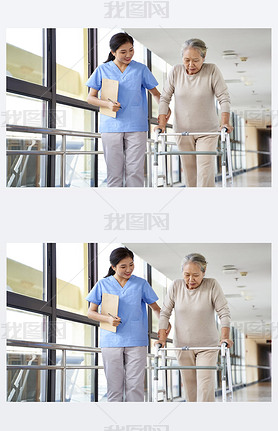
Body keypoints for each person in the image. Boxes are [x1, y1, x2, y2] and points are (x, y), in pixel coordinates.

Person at [86, 246, 170, 402]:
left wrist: (164, 325)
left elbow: (157, 309)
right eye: (123, 266)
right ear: (113, 267)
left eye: (131, 264)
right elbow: (90, 312)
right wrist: (108, 319)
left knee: (135, 386)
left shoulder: (141, 284)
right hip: (111, 341)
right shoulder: (103, 284)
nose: (128, 269)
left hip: (136, 340)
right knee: (114, 388)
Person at [86, 32, 170, 187]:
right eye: (123, 52)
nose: (128, 55)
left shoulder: (141, 69)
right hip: (111, 126)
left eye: (131, 50)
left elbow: (157, 95)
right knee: (114, 172)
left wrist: (164, 111)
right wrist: (108, 104)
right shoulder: (102, 69)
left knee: (135, 171)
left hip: (136, 126)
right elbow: (90, 97)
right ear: (113, 52)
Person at [156, 253, 233, 402]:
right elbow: (165, 313)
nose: (191, 280)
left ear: (204, 272)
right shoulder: (176, 286)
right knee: (190, 388)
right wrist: (161, 339)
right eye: (187, 275)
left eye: (196, 275)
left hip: (208, 346)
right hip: (183, 346)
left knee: (204, 386)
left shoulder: (212, 285)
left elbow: (224, 312)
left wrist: (225, 337)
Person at [156, 38, 232, 187]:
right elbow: (164, 98)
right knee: (190, 173)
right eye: (187, 60)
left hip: (207, 131)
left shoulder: (212, 70)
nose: (191, 65)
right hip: (183, 131)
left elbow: (224, 98)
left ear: (204, 57)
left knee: (204, 170)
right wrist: (161, 124)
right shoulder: (175, 71)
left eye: (196, 60)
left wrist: (225, 123)